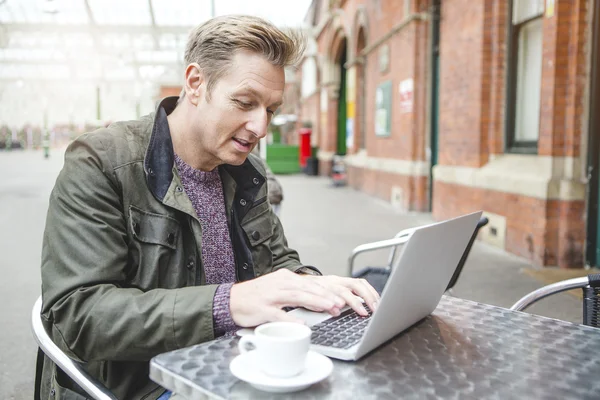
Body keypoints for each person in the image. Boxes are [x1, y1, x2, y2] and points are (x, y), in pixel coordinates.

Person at [37, 15, 379, 400]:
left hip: (239, 361)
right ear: (196, 83)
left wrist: (313, 285)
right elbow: (78, 317)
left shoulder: (247, 171)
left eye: (270, 110)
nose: (260, 127)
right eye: (245, 103)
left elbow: (276, 260)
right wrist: (227, 304)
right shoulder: (100, 163)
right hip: (147, 382)